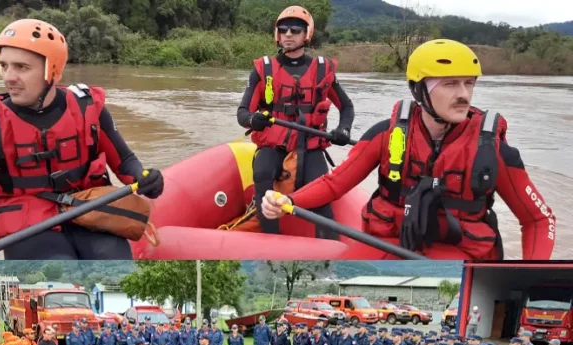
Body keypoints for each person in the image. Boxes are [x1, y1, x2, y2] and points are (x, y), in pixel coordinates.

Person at [262, 38, 556, 260]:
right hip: (389, 242)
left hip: (459, 252)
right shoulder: (385, 134)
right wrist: (286, 202)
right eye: (450, 84)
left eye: (469, 83)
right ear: (419, 89)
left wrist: (527, 278)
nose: (463, 95)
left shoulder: (494, 151)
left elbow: (539, 220)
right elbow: (335, 183)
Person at [0, 18, 164, 260]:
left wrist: (145, 177)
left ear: (53, 70)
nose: (9, 77)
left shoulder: (88, 109)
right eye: (4, 65)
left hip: (89, 211)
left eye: (21, 67)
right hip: (29, 227)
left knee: (113, 263)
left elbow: (125, 161)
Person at [236, 5, 355, 239]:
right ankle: (270, 240)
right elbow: (242, 114)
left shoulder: (323, 70)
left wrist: (343, 128)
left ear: (306, 34)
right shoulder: (262, 70)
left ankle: (328, 247)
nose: (288, 34)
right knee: (262, 174)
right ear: (277, 35)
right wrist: (254, 120)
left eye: (295, 29)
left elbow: (347, 107)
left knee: (322, 191)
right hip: (273, 145)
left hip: (310, 145)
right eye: (283, 30)